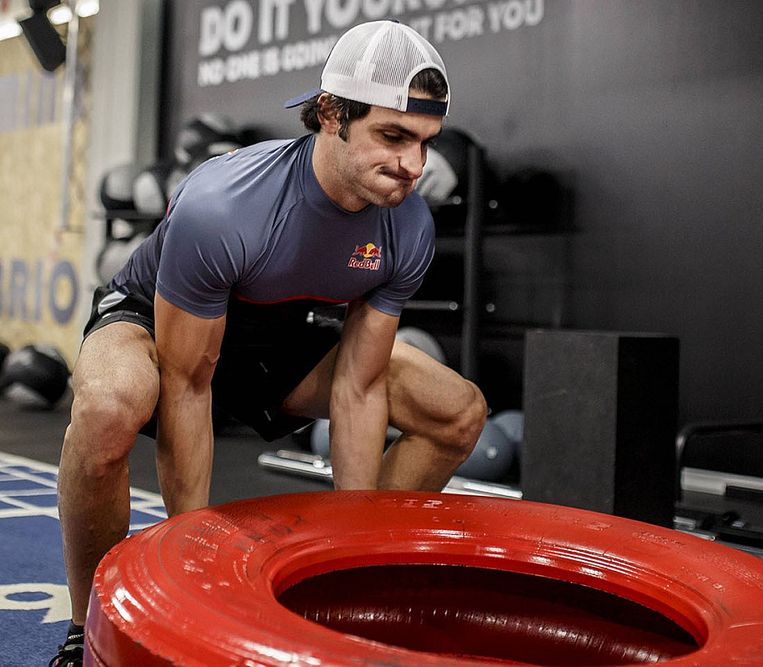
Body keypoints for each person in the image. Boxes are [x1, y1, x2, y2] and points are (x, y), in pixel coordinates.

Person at [50, 20, 487, 666]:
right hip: (153, 324)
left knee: (458, 410)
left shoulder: (409, 225)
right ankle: (89, 627)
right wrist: (187, 577)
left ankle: (329, 577)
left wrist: (345, 560)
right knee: (111, 404)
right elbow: (189, 382)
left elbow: (359, 386)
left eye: (426, 141)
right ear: (331, 114)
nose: (413, 166)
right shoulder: (225, 203)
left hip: (278, 333)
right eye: (393, 136)